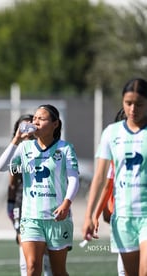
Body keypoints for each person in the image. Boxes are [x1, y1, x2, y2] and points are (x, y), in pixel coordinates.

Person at [0, 104, 80, 276]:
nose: (35, 122)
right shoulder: (24, 147)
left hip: (57, 218)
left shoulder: (65, 148)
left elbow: (74, 179)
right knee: (33, 267)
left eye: (41, 119)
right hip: (31, 218)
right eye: (34, 118)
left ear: (55, 124)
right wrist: (16, 140)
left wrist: (66, 203)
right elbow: (2, 166)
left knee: (58, 271)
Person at [82, 77, 147, 276]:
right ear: (122, 102)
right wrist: (89, 216)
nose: (133, 109)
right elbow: (100, 177)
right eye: (128, 103)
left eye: (139, 104)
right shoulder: (111, 133)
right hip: (123, 218)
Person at [6, 114, 52, 276]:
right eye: (22, 128)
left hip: (47, 201)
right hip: (23, 203)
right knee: (24, 243)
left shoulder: (49, 147)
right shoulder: (18, 150)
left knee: (47, 250)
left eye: (29, 127)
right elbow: (11, 180)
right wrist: (10, 204)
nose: (27, 132)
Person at [91, 108, 126, 276]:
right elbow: (106, 184)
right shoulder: (114, 147)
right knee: (126, 263)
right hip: (123, 213)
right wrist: (97, 212)